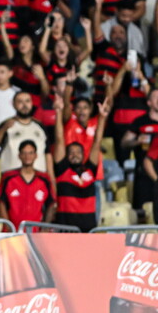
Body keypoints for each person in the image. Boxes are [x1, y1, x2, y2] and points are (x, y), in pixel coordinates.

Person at [52, 97, 110, 231]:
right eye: (71, 152)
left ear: (84, 156)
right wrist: (58, 112)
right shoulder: (62, 170)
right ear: (66, 156)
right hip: (65, 231)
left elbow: (97, 142)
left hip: (88, 231)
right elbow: (60, 139)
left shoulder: (90, 171)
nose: (75, 154)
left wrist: (101, 118)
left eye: (78, 152)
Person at [0, 140, 56, 229]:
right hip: (12, 232)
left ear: (36, 156)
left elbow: (51, 204)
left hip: (36, 233)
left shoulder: (44, 179)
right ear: (19, 156)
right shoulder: (8, 177)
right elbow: (1, 203)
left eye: (30, 153)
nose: (27, 156)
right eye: (24, 153)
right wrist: (8, 227)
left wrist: (45, 228)